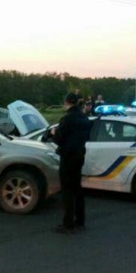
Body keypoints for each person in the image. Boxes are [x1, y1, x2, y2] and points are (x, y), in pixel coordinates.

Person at [50, 92, 92, 234]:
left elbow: (59, 139)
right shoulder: (84, 118)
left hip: (68, 157)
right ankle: (80, 221)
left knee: (67, 190)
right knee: (77, 189)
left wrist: (53, 133)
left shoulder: (67, 119)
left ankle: (68, 224)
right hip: (79, 155)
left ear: (66, 102)